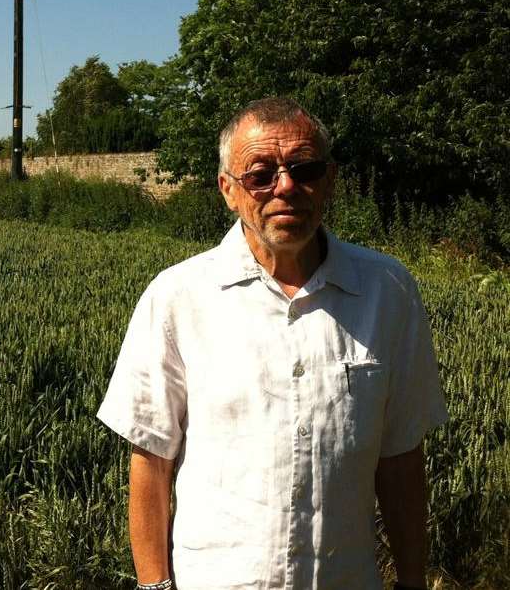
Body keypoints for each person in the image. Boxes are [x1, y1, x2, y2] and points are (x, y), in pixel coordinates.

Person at [96, 97, 449, 590]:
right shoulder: (177, 297)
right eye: (260, 174)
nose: (285, 187)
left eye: (304, 168)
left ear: (329, 181)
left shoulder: (388, 291)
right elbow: (151, 461)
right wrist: (154, 586)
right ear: (228, 190)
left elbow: (402, 457)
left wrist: (412, 580)